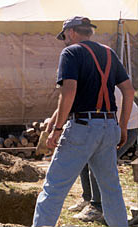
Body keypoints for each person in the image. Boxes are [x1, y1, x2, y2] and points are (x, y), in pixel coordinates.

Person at [32, 16, 135, 227]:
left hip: (83, 127)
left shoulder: (71, 52)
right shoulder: (109, 53)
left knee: (54, 188)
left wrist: (57, 129)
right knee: (111, 190)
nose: (65, 41)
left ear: (71, 32)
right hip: (108, 127)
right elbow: (128, 91)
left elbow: (68, 92)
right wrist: (122, 126)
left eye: (65, 37)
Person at [69, 87, 138, 222]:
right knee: (85, 160)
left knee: (99, 164)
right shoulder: (86, 85)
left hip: (127, 127)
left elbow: (99, 119)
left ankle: (97, 208)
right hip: (108, 124)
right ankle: (88, 200)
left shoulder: (102, 87)